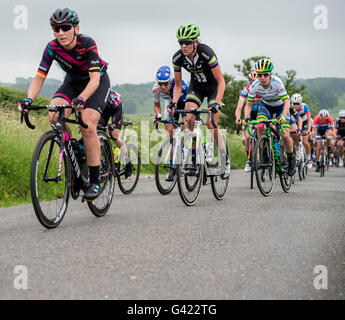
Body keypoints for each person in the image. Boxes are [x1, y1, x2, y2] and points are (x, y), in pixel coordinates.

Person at [17, 8, 111, 200]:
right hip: (72, 82)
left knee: (87, 123)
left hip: (96, 83)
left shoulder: (87, 43)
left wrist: (83, 98)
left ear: (76, 28)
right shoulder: (52, 47)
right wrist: (29, 99)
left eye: (65, 28)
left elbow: (94, 80)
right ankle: (74, 149)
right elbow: (39, 77)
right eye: (56, 28)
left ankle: (95, 179)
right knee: (53, 114)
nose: (61, 33)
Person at [170, 24, 229, 178]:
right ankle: (194, 155)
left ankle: (224, 159)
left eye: (187, 42)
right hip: (196, 87)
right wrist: (174, 103)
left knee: (211, 124)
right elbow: (177, 85)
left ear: (196, 42)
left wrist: (217, 102)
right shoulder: (177, 58)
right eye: (180, 43)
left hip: (213, 88)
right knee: (189, 117)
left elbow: (221, 81)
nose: (183, 46)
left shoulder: (207, 53)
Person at [244, 58, 296, 176]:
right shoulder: (255, 86)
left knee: (285, 134)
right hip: (266, 105)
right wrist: (246, 117)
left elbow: (287, 102)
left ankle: (291, 158)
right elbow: (248, 104)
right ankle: (263, 152)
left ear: (270, 74)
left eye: (265, 75)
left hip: (281, 106)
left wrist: (283, 116)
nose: (262, 78)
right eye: (260, 75)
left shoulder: (277, 82)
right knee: (260, 125)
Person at [152, 65, 188, 181]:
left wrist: (185, 121)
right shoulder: (156, 89)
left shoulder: (181, 85)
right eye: (160, 83)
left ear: (171, 81)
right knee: (170, 136)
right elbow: (157, 105)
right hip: (169, 103)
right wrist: (158, 115)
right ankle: (172, 168)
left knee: (186, 128)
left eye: (165, 84)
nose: (162, 87)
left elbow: (190, 102)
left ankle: (187, 151)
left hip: (183, 103)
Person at [98, 90, 133, 177]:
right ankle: (106, 163)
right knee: (97, 134)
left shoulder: (102, 94)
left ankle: (128, 161)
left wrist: (112, 125)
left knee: (114, 135)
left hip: (116, 107)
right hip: (103, 110)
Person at [235, 70, 260, 172]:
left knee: (265, 131)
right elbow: (239, 107)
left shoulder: (262, 89)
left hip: (261, 113)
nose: (253, 85)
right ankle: (249, 160)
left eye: (255, 82)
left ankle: (265, 153)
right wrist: (238, 117)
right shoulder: (246, 89)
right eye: (251, 82)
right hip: (249, 114)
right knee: (248, 137)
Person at [291, 93, 313, 168]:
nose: (295, 105)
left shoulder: (305, 106)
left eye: (297, 104)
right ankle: (297, 148)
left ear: (300, 103)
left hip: (305, 123)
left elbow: (309, 119)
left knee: (305, 142)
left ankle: (308, 158)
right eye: (294, 104)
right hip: (295, 122)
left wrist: (309, 130)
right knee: (294, 134)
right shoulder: (291, 107)